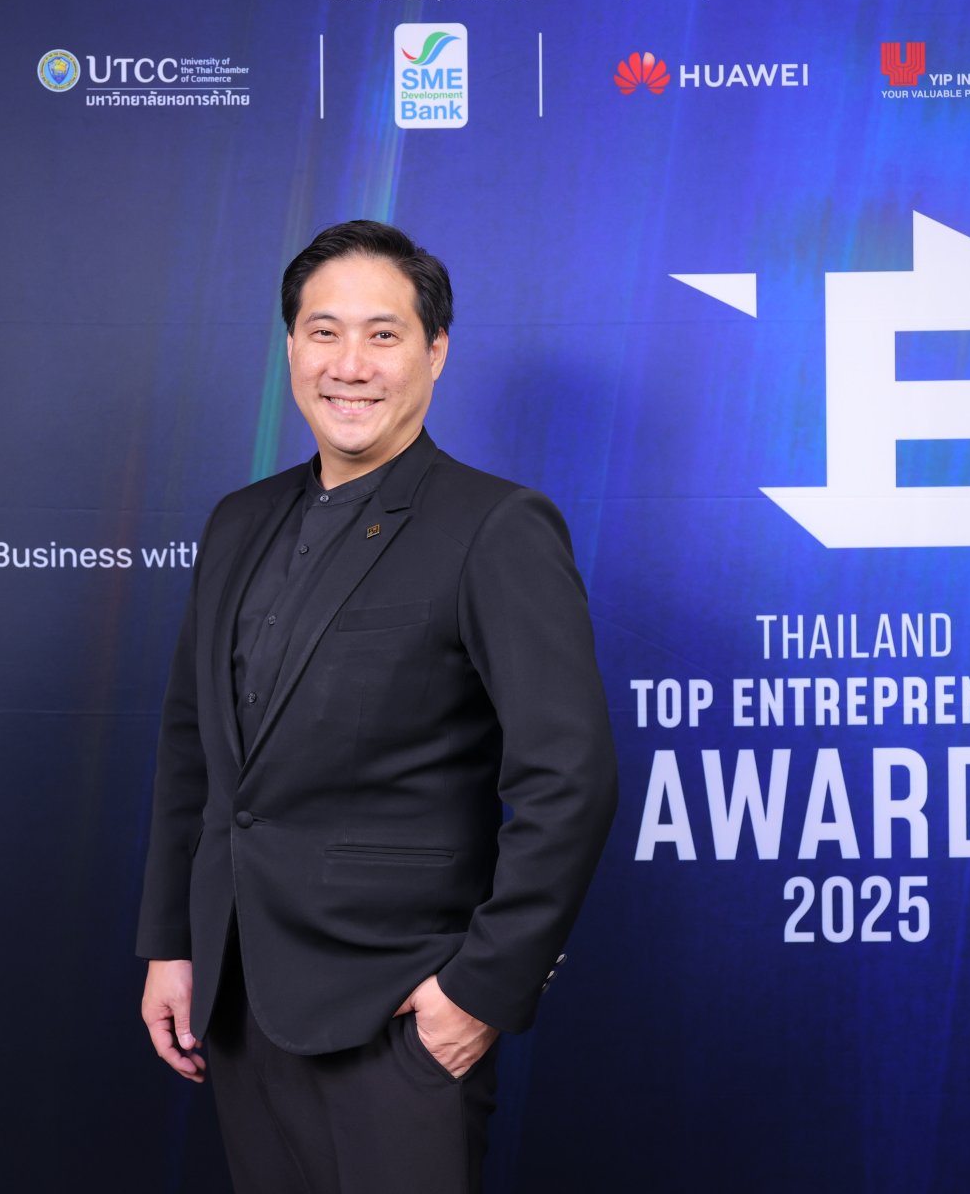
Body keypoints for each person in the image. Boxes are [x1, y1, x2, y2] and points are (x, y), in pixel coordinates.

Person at [135, 220, 617, 1193]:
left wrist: (480, 990)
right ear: (291, 349)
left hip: (396, 1012)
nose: (349, 364)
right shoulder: (237, 521)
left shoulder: (496, 525)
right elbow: (194, 751)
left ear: (436, 352)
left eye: (383, 334)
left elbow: (572, 778)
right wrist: (172, 945)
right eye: (323, 332)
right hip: (237, 999)